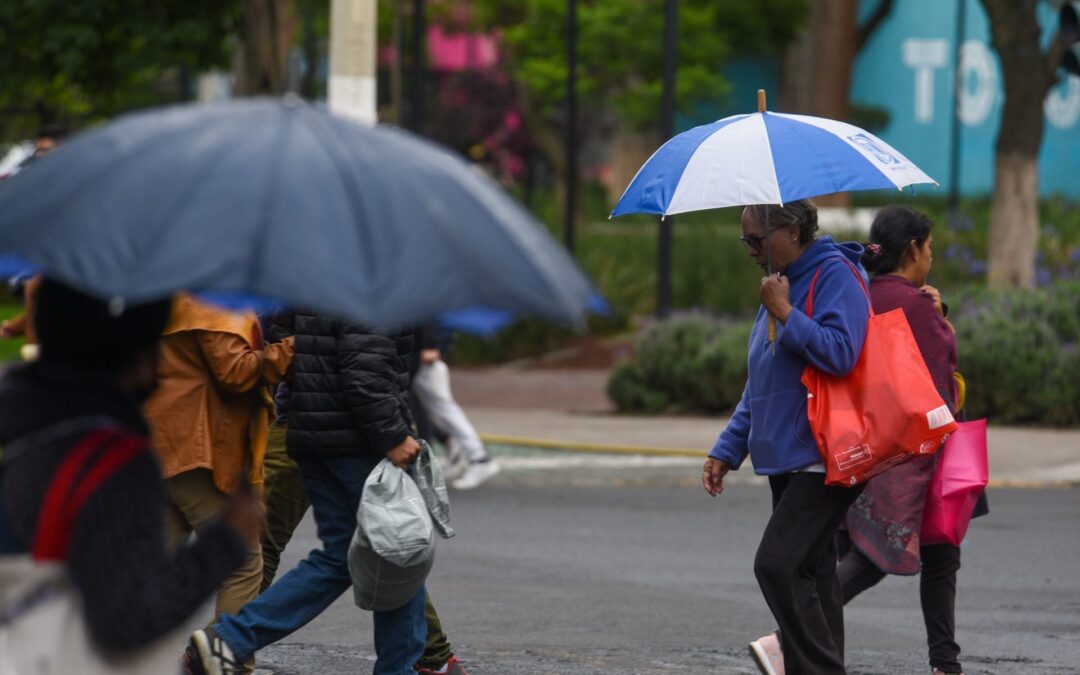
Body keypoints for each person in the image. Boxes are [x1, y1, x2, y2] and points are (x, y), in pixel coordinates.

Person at [0, 280, 260, 660]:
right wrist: (228, 540)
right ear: (135, 357)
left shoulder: (26, 429)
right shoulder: (114, 464)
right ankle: (222, 658)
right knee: (245, 565)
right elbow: (129, 617)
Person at [188, 315, 455, 675]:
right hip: (358, 440)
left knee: (345, 556)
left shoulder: (320, 282)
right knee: (398, 550)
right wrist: (392, 434)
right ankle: (233, 638)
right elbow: (364, 370)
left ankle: (230, 640)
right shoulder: (371, 290)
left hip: (310, 433)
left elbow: (282, 335)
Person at [702, 200, 870, 675]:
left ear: (792, 231)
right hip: (788, 455)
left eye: (756, 239)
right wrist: (729, 447)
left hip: (824, 453)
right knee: (813, 574)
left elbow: (842, 353)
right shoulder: (781, 282)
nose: (750, 250)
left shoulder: (834, 274)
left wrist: (786, 311)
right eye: (746, 240)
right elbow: (764, 378)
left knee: (776, 564)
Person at [835, 205, 973, 675]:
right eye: (929, 247)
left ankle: (945, 662)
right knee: (881, 558)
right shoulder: (914, 304)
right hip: (914, 455)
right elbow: (940, 383)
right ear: (913, 249)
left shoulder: (860, 294)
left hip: (861, 445)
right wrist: (942, 322)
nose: (931, 256)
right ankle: (788, 636)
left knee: (927, 552)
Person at [143, 294, 293, 673]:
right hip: (195, 446)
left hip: (166, 438)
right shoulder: (211, 301)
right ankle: (229, 663)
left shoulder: (173, 293)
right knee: (242, 560)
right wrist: (292, 349)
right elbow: (236, 372)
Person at [411, 324, 499, 490]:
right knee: (430, 408)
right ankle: (461, 451)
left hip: (425, 358)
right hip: (422, 355)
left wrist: (434, 346)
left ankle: (478, 457)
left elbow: (433, 316)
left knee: (444, 409)